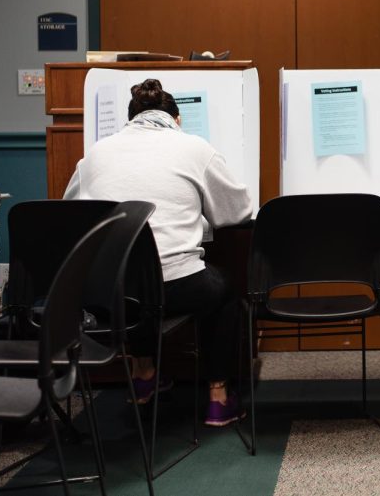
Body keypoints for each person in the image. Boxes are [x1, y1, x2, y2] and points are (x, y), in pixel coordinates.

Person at [64, 78, 254, 427]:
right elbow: (237, 213)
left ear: (130, 119)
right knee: (223, 291)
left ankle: (144, 374)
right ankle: (218, 397)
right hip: (174, 286)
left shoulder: (95, 153)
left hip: (105, 291)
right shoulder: (194, 147)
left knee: (135, 285)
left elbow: (69, 212)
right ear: (177, 119)